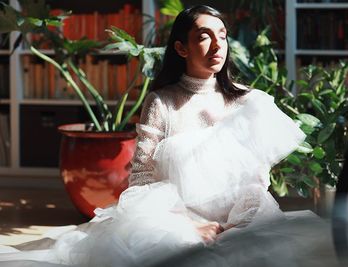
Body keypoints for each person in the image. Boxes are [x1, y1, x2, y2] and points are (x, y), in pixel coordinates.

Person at [0, 5, 305, 267]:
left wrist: (237, 224)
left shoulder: (249, 101)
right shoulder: (161, 102)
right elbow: (142, 179)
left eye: (222, 36)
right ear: (181, 48)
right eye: (204, 36)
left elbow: (257, 180)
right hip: (178, 223)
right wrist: (187, 227)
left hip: (242, 222)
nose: (217, 45)